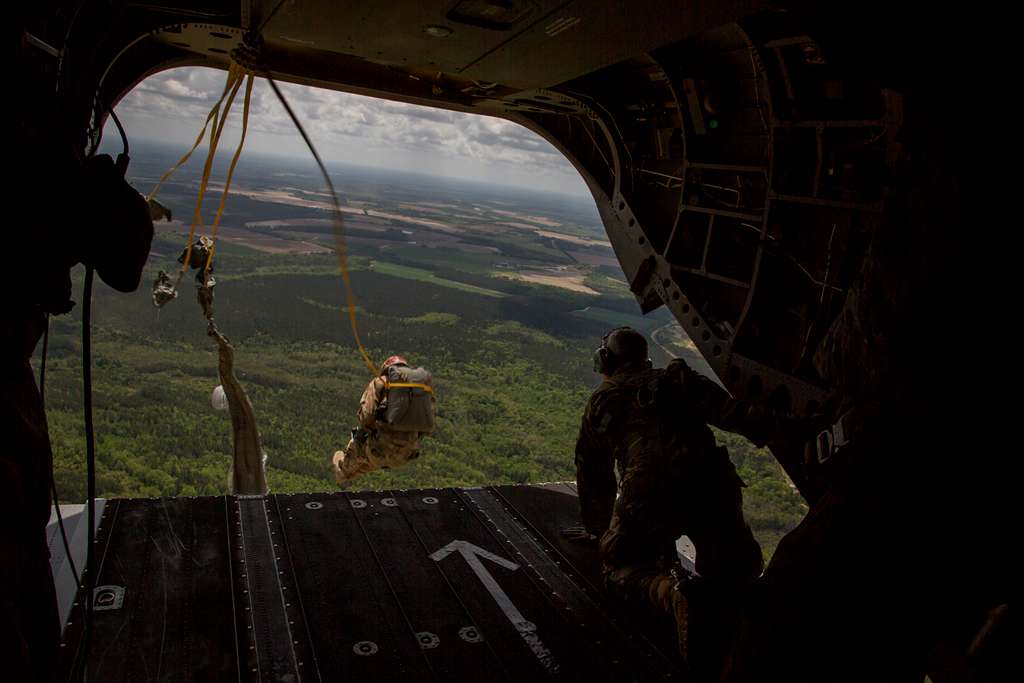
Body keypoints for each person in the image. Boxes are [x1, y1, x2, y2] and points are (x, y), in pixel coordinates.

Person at [568, 327, 781, 680]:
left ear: (606, 361)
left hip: (649, 495)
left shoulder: (605, 399)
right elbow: (740, 417)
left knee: (621, 571)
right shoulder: (681, 380)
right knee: (736, 573)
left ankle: (673, 594)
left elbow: (594, 474)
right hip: (713, 486)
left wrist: (599, 530)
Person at [332, 355, 435, 485]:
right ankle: (354, 470)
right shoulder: (417, 390)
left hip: (379, 451)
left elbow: (366, 417)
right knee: (373, 459)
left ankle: (343, 470)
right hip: (406, 455)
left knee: (358, 444)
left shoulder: (380, 382)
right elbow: (428, 427)